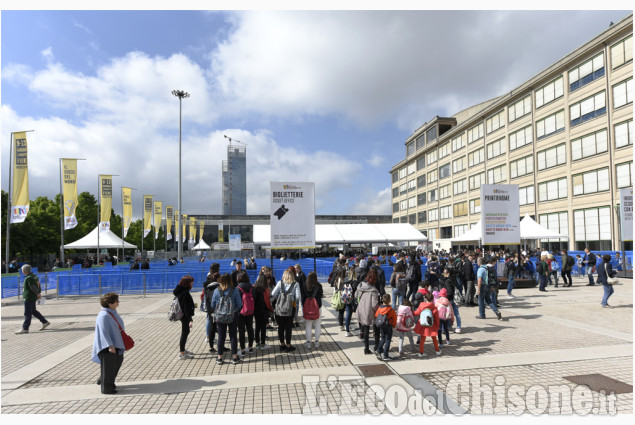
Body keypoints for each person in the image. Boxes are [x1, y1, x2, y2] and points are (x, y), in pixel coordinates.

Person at [91, 292, 125, 394]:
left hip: (115, 344)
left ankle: (103, 379)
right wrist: (110, 345)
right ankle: (107, 388)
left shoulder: (112, 312)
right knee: (109, 366)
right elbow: (103, 333)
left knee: (116, 362)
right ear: (110, 303)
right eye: (116, 301)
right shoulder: (104, 316)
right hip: (107, 346)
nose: (118, 303)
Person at [211, 273, 242, 365]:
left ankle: (219, 357)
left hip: (220, 316)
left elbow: (213, 305)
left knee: (221, 336)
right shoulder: (235, 290)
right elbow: (239, 305)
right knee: (233, 336)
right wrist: (233, 310)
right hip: (232, 316)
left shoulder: (217, 291)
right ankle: (235, 357)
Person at [271, 268, 302, 352]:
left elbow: (273, 294)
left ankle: (282, 345)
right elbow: (298, 296)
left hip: (279, 308)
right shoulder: (295, 284)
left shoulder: (279, 283)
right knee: (288, 327)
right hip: (290, 308)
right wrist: (292, 299)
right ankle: (288, 345)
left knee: (280, 326)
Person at [15, 264, 50, 334]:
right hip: (33, 297)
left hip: (29, 297)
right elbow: (38, 285)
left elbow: (32, 287)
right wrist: (38, 293)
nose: (22, 271)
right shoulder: (34, 276)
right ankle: (44, 322)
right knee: (33, 311)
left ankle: (25, 328)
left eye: (22, 270)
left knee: (27, 313)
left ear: (24, 270)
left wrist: (37, 293)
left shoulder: (29, 278)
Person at [356, 268, 380, 355]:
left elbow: (356, 295)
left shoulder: (361, 286)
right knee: (376, 328)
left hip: (361, 309)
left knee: (365, 328)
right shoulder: (373, 290)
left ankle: (366, 348)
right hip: (370, 310)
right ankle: (376, 346)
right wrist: (378, 310)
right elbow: (374, 304)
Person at [173, 276, 195, 359]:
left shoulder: (181, 291)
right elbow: (186, 307)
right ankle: (182, 353)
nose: (192, 284)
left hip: (183, 315)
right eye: (191, 282)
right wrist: (190, 319)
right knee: (185, 333)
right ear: (187, 283)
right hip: (185, 316)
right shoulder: (185, 293)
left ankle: (183, 350)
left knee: (186, 332)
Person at [414, 292, 441, 357]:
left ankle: (421, 353)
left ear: (425, 299)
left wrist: (411, 312)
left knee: (422, 339)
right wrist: (437, 326)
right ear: (432, 299)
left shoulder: (421, 305)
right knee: (434, 338)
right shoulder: (434, 307)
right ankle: (437, 351)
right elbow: (437, 318)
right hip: (431, 325)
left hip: (423, 324)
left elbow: (417, 313)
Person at [301, 271, 323, 348]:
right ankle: (317, 342)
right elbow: (320, 296)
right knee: (317, 325)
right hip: (317, 307)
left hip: (307, 308)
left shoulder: (304, 285)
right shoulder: (319, 286)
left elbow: (303, 298)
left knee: (308, 325)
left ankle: (308, 342)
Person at [253, 270, 274, 350]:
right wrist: (271, 309)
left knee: (257, 327)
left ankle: (257, 343)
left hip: (256, 310)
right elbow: (267, 302)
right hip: (264, 310)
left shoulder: (254, 287)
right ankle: (262, 343)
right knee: (263, 328)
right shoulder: (265, 290)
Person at [333, 267, 357, 336]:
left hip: (344, 297)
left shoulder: (344, 280)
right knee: (347, 313)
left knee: (346, 313)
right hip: (351, 298)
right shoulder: (353, 281)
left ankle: (346, 328)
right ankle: (346, 326)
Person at [236, 271, 255, 356]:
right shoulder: (251, 287)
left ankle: (242, 349)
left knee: (241, 330)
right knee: (250, 328)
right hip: (250, 311)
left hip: (241, 312)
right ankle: (250, 347)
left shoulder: (238, 288)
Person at [374, 293, 397, 361]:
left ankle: (378, 350)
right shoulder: (391, 310)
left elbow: (376, 315)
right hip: (388, 326)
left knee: (383, 338)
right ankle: (385, 355)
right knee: (388, 340)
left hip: (381, 325)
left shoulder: (380, 308)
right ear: (389, 300)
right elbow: (395, 319)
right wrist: (394, 325)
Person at [439, 267, 461, 334]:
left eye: (444, 273)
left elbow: (449, 291)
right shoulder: (454, 279)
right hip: (455, 299)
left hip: (449, 299)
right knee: (456, 314)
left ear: (448, 273)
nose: (443, 274)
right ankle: (458, 327)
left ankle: (447, 327)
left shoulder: (447, 281)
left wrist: (445, 298)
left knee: (447, 313)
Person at [203, 272, 220, 353]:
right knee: (220, 328)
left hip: (210, 310)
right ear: (218, 278)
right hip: (219, 310)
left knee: (212, 329)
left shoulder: (207, 287)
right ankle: (221, 346)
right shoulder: (219, 286)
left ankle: (211, 347)